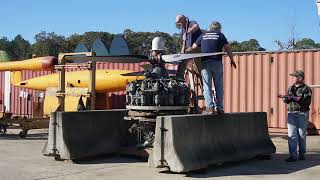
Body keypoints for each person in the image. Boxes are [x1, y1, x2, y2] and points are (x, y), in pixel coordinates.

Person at [186, 21, 236, 114]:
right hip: (217, 63)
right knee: (219, 86)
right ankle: (220, 108)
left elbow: (193, 47)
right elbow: (227, 47)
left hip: (205, 63)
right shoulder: (220, 35)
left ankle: (210, 108)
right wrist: (232, 59)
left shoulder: (203, 35)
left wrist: (184, 52)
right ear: (218, 28)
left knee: (207, 86)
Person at [278, 70, 312, 162]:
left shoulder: (306, 89)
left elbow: (306, 102)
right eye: (292, 76)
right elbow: (288, 101)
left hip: (302, 114)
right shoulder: (290, 88)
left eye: (294, 76)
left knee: (301, 134)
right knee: (291, 135)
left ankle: (302, 154)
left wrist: (293, 98)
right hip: (291, 113)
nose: (292, 78)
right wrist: (285, 99)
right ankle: (293, 155)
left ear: (300, 78)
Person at [175, 15, 202, 79]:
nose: (179, 24)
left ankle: (179, 76)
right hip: (189, 49)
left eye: (179, 22)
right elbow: (184, 42)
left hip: (197, 48)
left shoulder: (191, 23)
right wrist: (182, 50)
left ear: (183, 19)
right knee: (182, 56)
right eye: (177, 23)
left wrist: (187, 32)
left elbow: (196, 26)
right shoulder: (183, 29)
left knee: (185, 55)